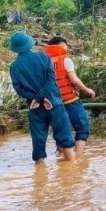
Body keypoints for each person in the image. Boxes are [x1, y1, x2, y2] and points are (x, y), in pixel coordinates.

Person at [8, 31, 75, 163]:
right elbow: (51, 80)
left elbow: (19, 89)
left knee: (38, 143)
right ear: (30, 43)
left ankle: (39, 179)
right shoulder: (44, 57)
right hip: (54, 103)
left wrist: (37, 99)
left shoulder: (14, 67)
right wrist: (42, 97)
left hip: (35, 107)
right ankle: (72, 173)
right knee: (65, 139)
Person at [43, 36, 95, 156]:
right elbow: (75, 80)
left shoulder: (44, 62)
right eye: (64, 46)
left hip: (54, 103)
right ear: (59, 46)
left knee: (61, 132)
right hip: (70, 101)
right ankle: (78, 157)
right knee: (82, 128)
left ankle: (62, 160)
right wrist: (88, 90)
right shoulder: (65, 60)